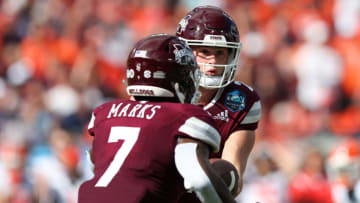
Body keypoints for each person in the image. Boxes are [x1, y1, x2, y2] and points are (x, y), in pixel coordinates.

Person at [78, 34, 236, 203]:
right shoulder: (184, 116)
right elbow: (199, 179)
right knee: (224, 173)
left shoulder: (105, 112)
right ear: (177, 81)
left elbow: (95, 164)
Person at [175, 5, 262, 197]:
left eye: (220, 52)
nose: (213, 62)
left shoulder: (240, 101)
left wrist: (209, 178)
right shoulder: (166, 92)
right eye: (205, 51)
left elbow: (232, 178)